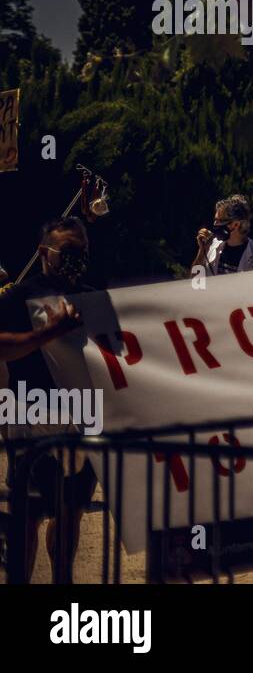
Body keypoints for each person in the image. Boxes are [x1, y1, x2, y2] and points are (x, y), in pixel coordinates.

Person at [0, 218, 99, 582]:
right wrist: (47, 334)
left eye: (82, 251)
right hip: (30, 417)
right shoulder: (18, 296)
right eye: (68, 251)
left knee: (69, 509)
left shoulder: (94, 294)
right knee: (27, 514)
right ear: (45, 253)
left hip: (82, 418)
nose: (76, 259)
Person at [194, 194, 253, 276]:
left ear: (236, 224)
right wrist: (202, 251)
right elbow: (194, 282)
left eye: (219, 220)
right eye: (215, 220)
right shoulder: (211, 246)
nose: (215, 224)